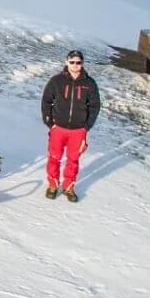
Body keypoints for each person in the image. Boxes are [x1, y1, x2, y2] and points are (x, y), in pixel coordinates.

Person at [40, 50, 101, 202]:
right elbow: (46, 100)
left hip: (78, 130)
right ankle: (53, 185)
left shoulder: (89, 84)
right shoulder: (56, 81)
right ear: (67, 62)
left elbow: (95, 106)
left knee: (73, 160)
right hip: (58, 128)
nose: (75, 65)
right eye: (72, 62)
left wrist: (86, 126)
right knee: (54, 157)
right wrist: (50, 122)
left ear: (82, 63)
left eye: (78, 62)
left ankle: (69, 187)